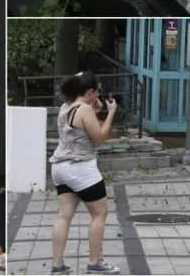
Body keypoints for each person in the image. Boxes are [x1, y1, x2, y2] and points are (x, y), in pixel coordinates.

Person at [49, 71, 119, 275]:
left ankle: (57, 264)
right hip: (81, 168)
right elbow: (99, 137)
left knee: (64, 216)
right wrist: (110, 112)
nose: (98, 96)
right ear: (89, 91)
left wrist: (94, 111)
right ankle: (95, 261)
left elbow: (77, 129)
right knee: (99, 213)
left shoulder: (66, 107)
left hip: (60, 167)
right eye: (97, 92)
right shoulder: (85, 109)